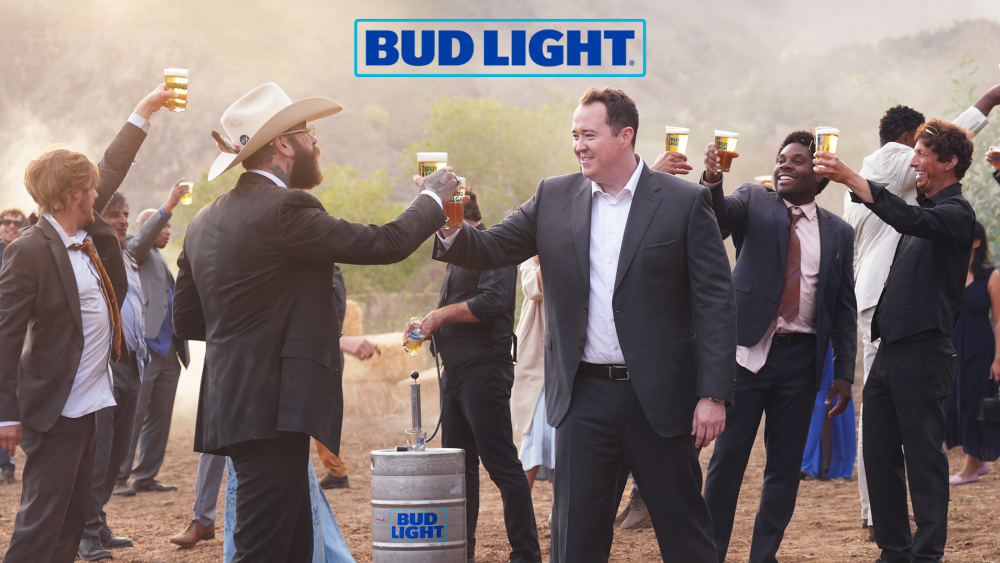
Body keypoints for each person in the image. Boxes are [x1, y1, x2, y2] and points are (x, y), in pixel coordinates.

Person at [429, 87, 736, 563]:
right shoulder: (552, 196)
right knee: (575, 543)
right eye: (575, 135)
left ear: (625, 135)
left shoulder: (683, 201)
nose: (579, 145)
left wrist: (713, 394)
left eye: (589, 134)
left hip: (662, 398)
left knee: (687, 540)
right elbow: (488, 248)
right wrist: (447, 214)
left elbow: (717, 300)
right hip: (583, 399)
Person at [172, 82, 459, 562]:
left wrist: (253, 336)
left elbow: (187, 320)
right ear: (283, 144)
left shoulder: (201, 221)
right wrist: (432, 199)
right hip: (273, 408)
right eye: (308, 132)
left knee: (293, 544)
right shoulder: (288, 208)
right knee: (263, 549)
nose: (315, 142)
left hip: (232, 403)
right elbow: (384, 244)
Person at [0, 84, 174, 563]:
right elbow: (6, 335)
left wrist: (143, 111)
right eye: (93, 189)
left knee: (73, 524)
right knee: (39, 526)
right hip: (54, 412)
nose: (101, 193)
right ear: (75, 194)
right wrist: (6, 413)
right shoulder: (29, 249)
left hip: (93, 401)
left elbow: (111, 165)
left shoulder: (89, 230)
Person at [815, 118, 976, 563]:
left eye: (923, 154)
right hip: (889, 352)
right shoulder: (922, 213)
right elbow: (905, 219)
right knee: (879, 455)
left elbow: (905, 216)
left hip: (924, 352)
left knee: (923, 458)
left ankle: (926, 554)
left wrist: (851, 176)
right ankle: (894, 549)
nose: (914, 161)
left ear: (950, 162)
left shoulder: (955, 215)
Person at [843, 87, 1000, 535]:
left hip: (891, 303)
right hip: (892, 307)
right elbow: (953, 140)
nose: (916, 159)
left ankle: (889, 521)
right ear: (905, 140)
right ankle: (880, 517)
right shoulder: (889, 162)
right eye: (916, 147)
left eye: (922, 153)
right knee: (888, 429)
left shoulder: (917, 192)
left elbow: (948, 149)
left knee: (888, 426)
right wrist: (990, 98)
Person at [695, 131, 856, 563]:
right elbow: (718, 214)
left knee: (784, 469)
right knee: (727, 463)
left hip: (802, 363)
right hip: (747, 356)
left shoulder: (839, 233)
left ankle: (763, 556)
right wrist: (712, 177)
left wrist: (843, 373)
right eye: (782, 159)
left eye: (798, 160)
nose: (785, 165)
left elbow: (843, 306)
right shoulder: (754, 200)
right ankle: (711, 553)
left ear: (818, 174)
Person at [408, 188, 540, 563]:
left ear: (458, 214)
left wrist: (442, 315)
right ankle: (461, 552)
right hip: (456, 373)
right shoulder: (458, 255)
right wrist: (426, 325)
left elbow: (494, 303)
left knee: (501, 465)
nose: (440, 236)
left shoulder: (493, 246)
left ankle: (526, 555)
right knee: (459, 466)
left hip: (485, 369)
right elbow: (448, 308)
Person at [77, 190, 168, 560]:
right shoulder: (88, 256)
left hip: (133, 364)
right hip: (104, 367)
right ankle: (84, 534)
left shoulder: (126, 257)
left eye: (126, 214)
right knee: (99, 455)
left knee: (116, 455)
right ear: (97, 218)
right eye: (114, 214)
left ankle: (97, 523)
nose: (123, 221)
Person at [114, 183, 191, 495]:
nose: (168, 231)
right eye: (164, 225)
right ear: (144, 227)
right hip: (145, 348)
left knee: (159, 417)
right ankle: (118, 477)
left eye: (170, 226)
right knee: (134, 415)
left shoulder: (158, 259)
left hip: (169, 349)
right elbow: (142, 240)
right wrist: (169, 204)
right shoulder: (132, 249)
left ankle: (145, 475)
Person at [944, 221, 1000, 484]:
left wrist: (998, 358)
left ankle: (970, 467)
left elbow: (999, 320)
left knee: (973, 402)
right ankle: (978, 463)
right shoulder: (953, 273)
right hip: (954, 348)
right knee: (955, 401)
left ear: (976, 242)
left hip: (981, 349)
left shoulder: (993, 276)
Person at [511, 255, 554, 490]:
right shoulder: (529, 262)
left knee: (563, 447)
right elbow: (534, 288)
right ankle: (521, 514)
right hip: (536, 367)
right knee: (533, 443)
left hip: (567, 366)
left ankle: (559, 521)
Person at [800, 345, 856, 481]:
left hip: (831, 344)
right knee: (818, 404)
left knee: (826, 404)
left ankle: (822, 464)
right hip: (810, 342)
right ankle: (815, 463)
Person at [0, 206, 25, 485]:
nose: (11, 226)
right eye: (6, 222)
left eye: (17, 223)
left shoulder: (25, 256)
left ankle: (6, 464)